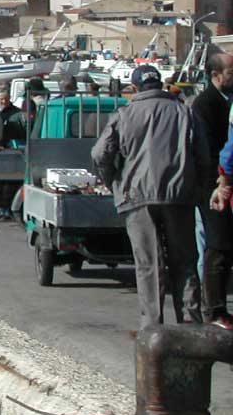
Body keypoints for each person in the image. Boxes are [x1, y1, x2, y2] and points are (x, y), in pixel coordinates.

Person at [92, 65, 207, 329]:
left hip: (138, 197)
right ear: (162, 85)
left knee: (149, 265)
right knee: (186, 262)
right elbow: (203, 156)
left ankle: (153, 329)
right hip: (179, 197)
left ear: (134, 88)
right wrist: (196, 188)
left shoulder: (125, 114)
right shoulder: (184, 111)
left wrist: (114, 183)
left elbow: (100, 155)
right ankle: (190, 325)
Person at [194, 53, 233, 328]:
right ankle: (214, 310)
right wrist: (221, 180)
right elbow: (211, 149)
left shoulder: (227, 102)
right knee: (217, 245)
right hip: (214, 184)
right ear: (216, 75)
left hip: (225, 179)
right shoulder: (205, 104)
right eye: (231, 72)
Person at [0, 86, 24, 221]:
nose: (4, 101)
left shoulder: (15, 113)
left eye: (6, 99)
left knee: (10, 182)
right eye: (1, 99)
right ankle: (2, 208)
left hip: (11, 149)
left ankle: (8, 209)